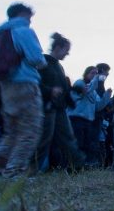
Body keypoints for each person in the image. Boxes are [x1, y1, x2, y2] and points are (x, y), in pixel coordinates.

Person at [0, 3, 48, 178]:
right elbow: (36, 58)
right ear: (22, 14)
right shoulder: (23, 31)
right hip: (26, 83)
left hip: (6, 85)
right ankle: (14, 172)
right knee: (30, 130)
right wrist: (43, 64)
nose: (30, 20)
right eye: (29, 16)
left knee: (11, 132)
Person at [35, 33, 85, 171]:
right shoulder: (43, 63)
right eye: (66, 50)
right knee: (44, 139)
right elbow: (35, 83)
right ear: (58, 47)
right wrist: (49, 91)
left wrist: (75, 89)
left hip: (59, 108)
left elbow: (62, 87)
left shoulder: (58, 66)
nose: (67, 54)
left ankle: (77, 165)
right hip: (47, 107)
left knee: (67, 137)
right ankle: (32, 169)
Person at [67, 66, 111, 164]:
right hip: (76, 118)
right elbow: (85, 92)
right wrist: (96, 80)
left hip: (88, 120)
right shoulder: (79, 83)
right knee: (78, 143)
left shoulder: (94, 91)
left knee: (87, 144)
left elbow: (98, 107)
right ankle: (72, 165)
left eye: (96, 74)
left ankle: (83, 165)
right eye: (92, 73)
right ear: (86, 74)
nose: (95, 75)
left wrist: (106, 96)